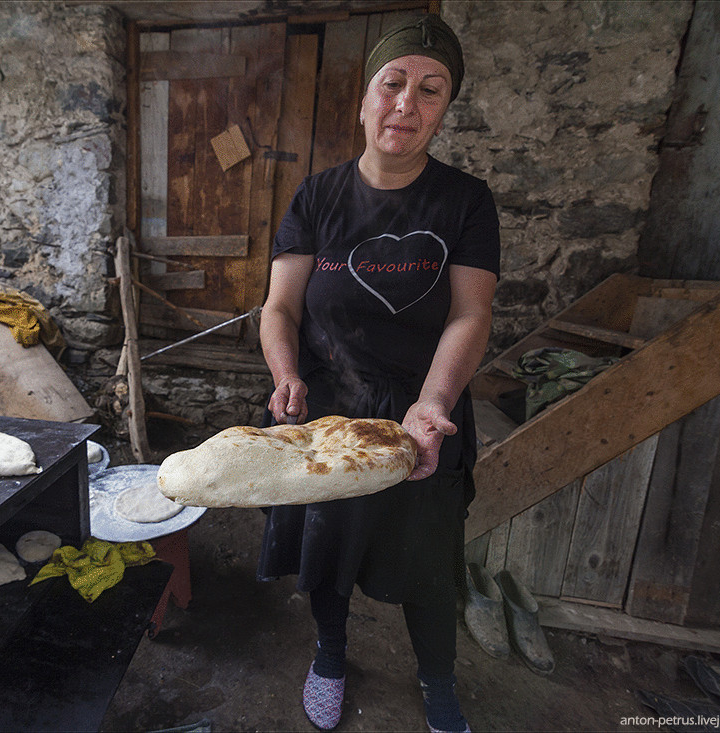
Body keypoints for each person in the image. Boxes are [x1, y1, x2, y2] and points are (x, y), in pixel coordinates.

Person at [256, 14, 499, 733]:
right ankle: (330, 653)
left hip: (425, 411)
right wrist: (286, 373)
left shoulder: (464, 201)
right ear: (364, 99)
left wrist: (433, 402)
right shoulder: (318, 197)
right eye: (393, 84)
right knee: (326, 545)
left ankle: (438, 681)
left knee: (426, 561)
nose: (407, 103)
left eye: (431, 90)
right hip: (329, 410)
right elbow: (278, 307)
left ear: (443, 111)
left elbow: (470, 316)